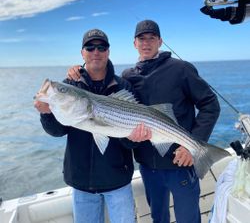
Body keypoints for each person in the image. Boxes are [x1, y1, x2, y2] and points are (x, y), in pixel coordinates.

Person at [67, 20, 221, 223]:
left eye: (151, 38)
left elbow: (210, 104)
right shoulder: (127, 77)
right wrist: (78, 71)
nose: (146, 43)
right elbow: (121, 113)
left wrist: (191, 146)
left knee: (188, 218)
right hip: (148, 166)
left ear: (160, 41)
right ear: (134, 43)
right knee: (158, 218)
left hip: (179, 161)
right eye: (141, 39)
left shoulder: (181, 69)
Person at [34, 28, 150, 223]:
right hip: (81, 184)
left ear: (108, 52)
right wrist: (46, 113)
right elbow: (57, 131)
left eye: (101, 47)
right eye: (90, 47)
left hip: (117, 182)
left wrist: (134, 139)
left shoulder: (124, 87)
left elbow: (130, 141)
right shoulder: (70, 85)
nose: (95, 51)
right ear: (82, 53)